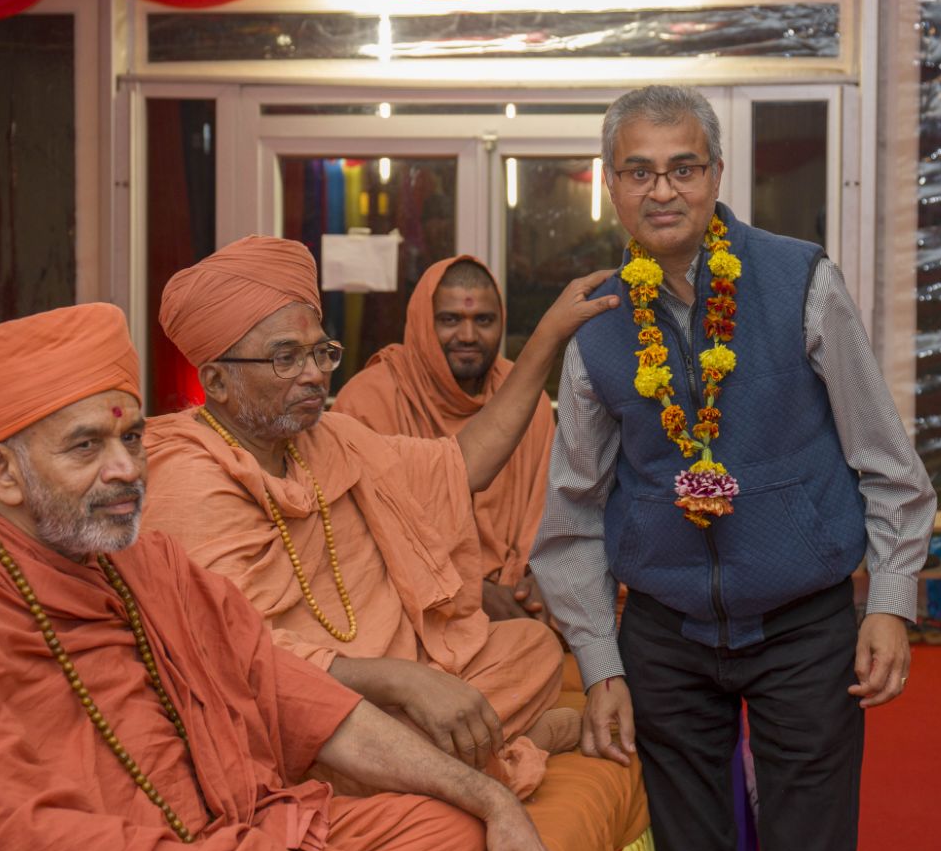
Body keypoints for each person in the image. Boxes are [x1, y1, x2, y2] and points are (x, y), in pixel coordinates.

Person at [0, 303, 551, 851]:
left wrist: (488, 796)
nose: (126, 470)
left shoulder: (148, 565)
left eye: (132, 439)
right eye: (87, 445)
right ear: (0, 472)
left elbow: (302, 701)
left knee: (451, 828)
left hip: (226, 844)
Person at [529, 84, 936, 851]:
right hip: (666, 636)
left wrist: (892, 603)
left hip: (803, 625)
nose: (662, 189)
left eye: (683, 167)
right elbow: (571, 517)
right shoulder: (600, 321)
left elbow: (888, 463)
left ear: (717, 173)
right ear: (610, 184)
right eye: (638, 171)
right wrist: (601, 663)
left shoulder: (799, 280)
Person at [143, 237, 613, 797]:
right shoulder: (189, 478)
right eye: (286, 357)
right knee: (317, 734)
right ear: (216, 381)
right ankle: (487, 746)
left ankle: (413, 759)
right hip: (300, 707)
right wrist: (402, 680)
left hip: (385, 684)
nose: (315, 375)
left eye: (321, 352)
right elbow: (242, 659)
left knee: (530, 648)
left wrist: (546, 338)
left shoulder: (326, 439)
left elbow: (462, 464)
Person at [334, 256, 554, 625]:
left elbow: (549, 512)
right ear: (423, 322)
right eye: (450, 320)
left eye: (483, 320)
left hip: (512, 599)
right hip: (406, 606)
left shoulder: (524, 397)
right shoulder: (367, 400)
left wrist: (540, 581)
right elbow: (355, 540)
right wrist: (467, 592)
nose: (467, 336)